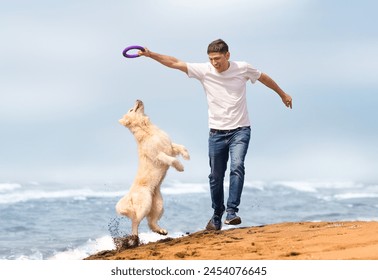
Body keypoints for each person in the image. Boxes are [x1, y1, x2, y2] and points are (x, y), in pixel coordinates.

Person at [138, 39, 292, 230]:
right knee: (215, 177)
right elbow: (174, 62)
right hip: (216, 133)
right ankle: (217, 215)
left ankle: (232, 212)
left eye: (218, 58)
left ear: (227, 55)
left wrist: (282, 94)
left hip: (240, 130)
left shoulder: (243, 68)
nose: (214, 63)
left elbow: (263, 77)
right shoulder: (205, 70)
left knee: (237, 166)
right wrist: (150, 54)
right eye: (211, 59)